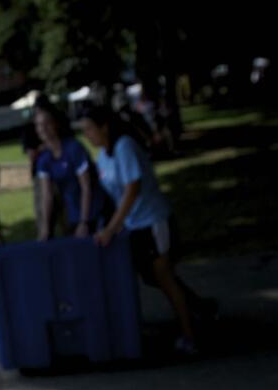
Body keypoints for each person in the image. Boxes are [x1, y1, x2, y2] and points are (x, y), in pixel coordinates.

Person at [79, 105, 212, 355]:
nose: (87, 134)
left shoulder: (124, 147)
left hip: (153, 222)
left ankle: (190, 335)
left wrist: (111, 228)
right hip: (134, 226)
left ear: (104, 126)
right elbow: (112, 197)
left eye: (89, 128)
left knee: (163, 276)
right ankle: (199, 308)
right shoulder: (103, 157)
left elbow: (132, 190)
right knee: (152, 277)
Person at [32, 102, 101, 240]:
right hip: (72, 213)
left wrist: (84, 222)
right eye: (38, 125)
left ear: (55, 123)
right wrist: (45, 229)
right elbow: (47, 196)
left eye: (46, 123)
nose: (42, 129)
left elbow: (86, 187)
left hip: (93, 211)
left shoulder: (74, 148)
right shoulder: (44, 159)